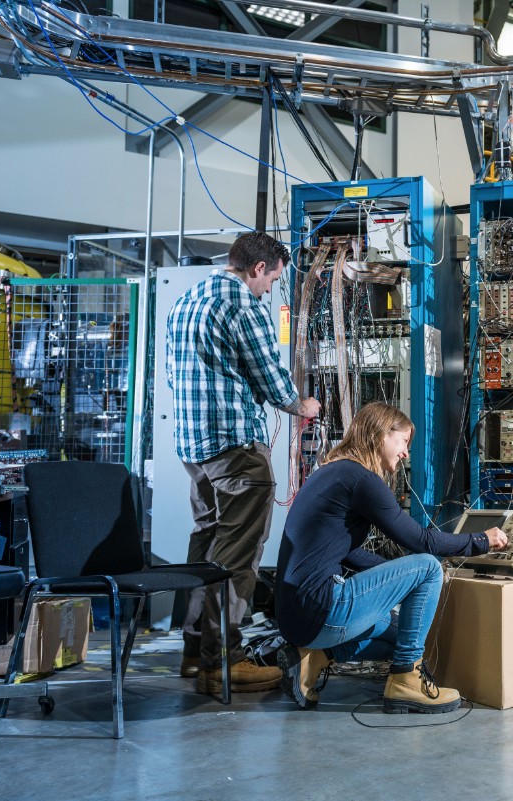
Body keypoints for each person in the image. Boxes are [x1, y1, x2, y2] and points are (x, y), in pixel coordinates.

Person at [274, 402, 508, 714]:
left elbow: (346, 551)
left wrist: (398, 576)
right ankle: (406, 681)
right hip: (322, 609)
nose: (406, 453)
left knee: (399, 636)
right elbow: (420, 540)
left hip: (296, 617)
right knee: (427, 566)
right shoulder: (360, 479)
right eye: (404, 442)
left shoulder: (332, 472)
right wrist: (481, 541)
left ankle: (312, 658)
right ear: (382, 435)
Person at [166, 231, 321, 695]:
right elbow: (273, 380)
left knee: (206, 548)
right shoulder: (243, 306)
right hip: (236, 451)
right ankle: (224, 661)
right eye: (272, 280)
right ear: (258, 268)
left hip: (195, 450)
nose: (269, 290)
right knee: (237, 559)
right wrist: (304, 406)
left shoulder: (190, 298)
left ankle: (195, 654)